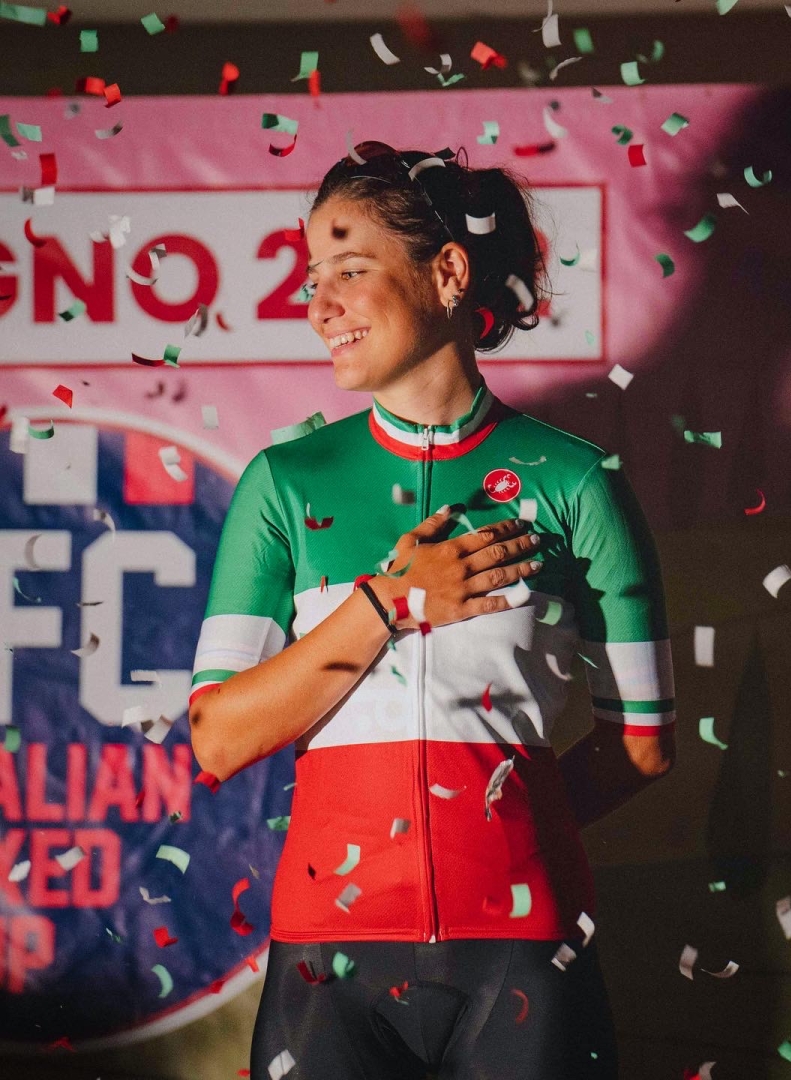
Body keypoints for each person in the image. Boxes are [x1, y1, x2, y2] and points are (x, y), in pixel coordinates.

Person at [188, 141, 677, 1080]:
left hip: (515, 957)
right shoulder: (282, 483)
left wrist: (492, 827)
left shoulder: (578, 481)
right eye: (312, 277)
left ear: (448, 272)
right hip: (336, 959)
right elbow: (216, 737)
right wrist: (390, 602)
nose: (318, 303)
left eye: (348, 269)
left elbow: (645, 744)